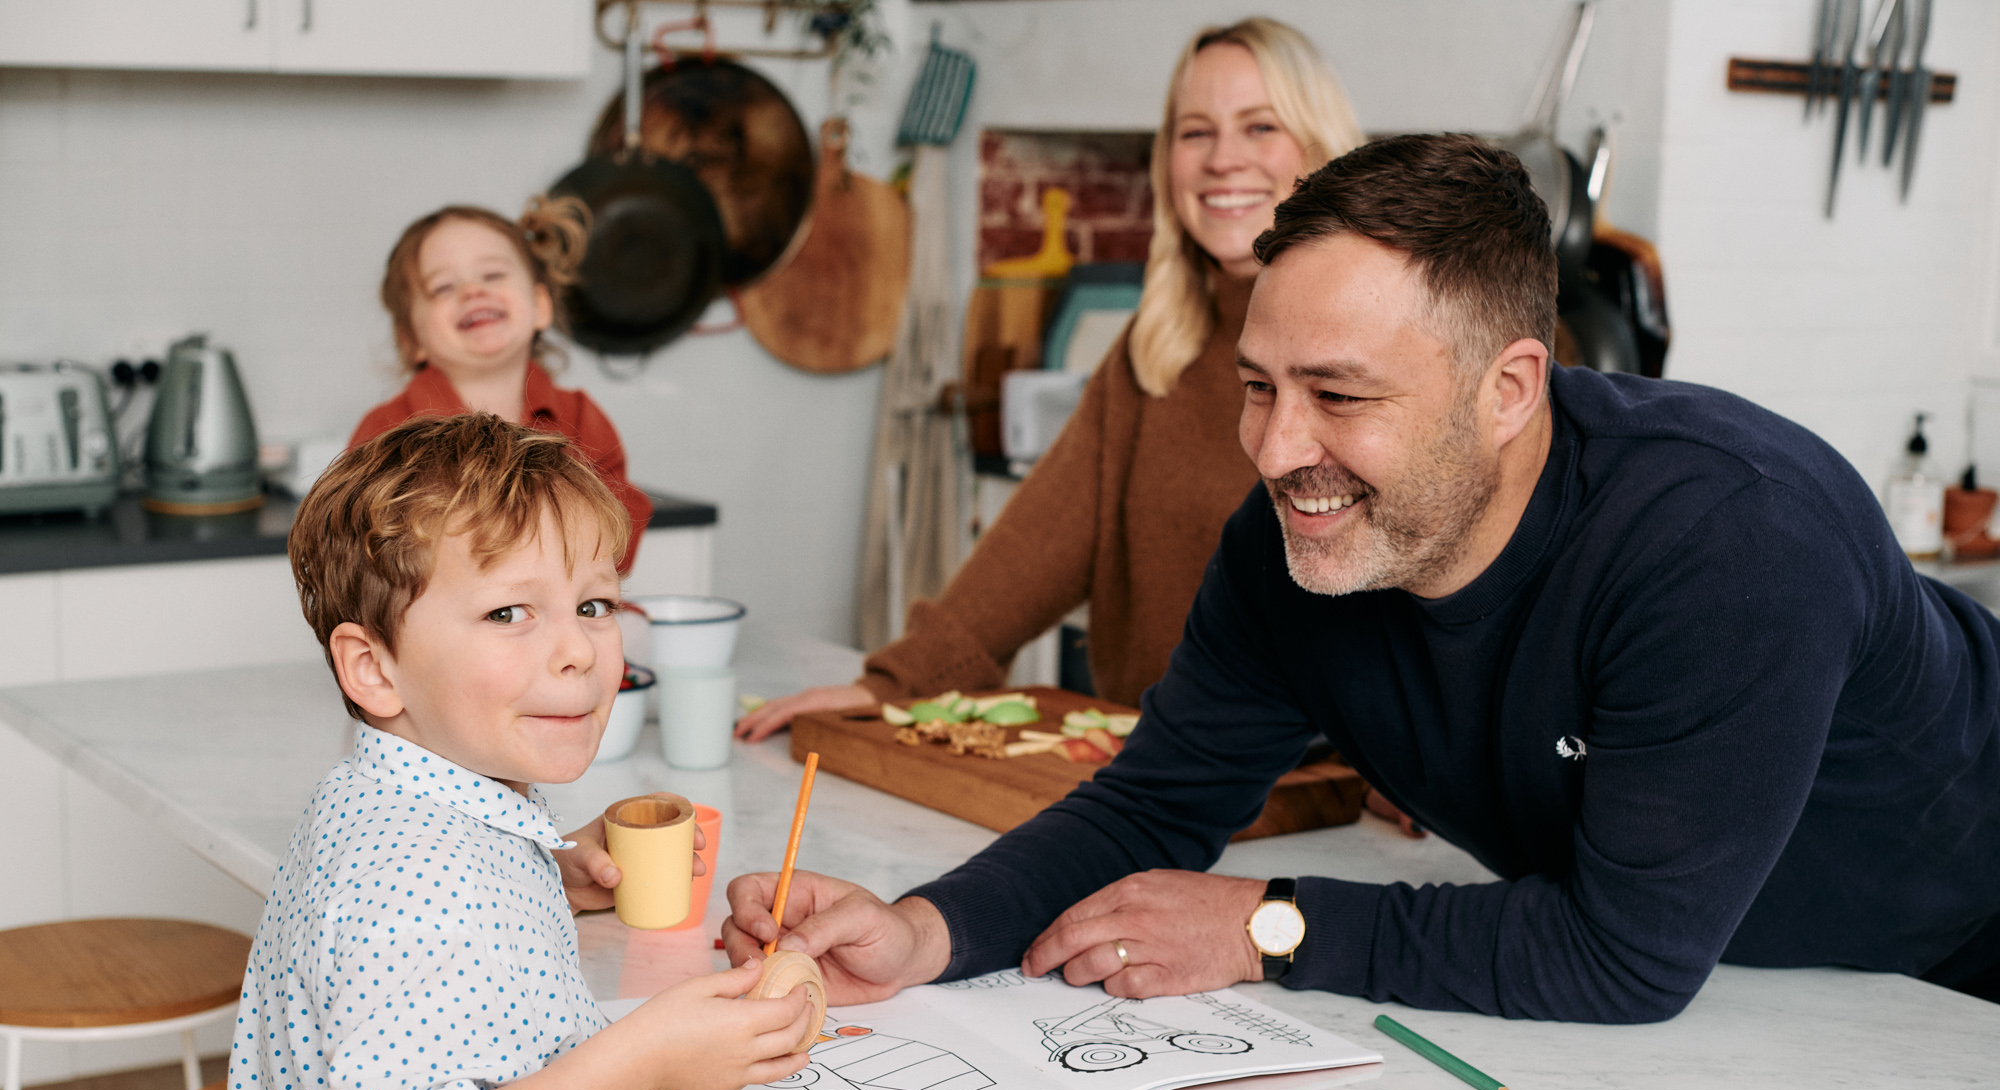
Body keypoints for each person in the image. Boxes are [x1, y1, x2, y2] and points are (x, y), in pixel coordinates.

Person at [719, 134, 2000, 1022]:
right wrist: (924, 932)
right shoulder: (1297, 540)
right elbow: (1150, 808)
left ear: (1506, 390)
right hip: (1750, 990)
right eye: (1259, 388)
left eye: (1338, 395)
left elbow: (1623, 956)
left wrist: (1265, 924)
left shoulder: (1728, 540)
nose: (1278, 451)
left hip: (1960, 945)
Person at [229, 414, 832, 1090]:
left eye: (594, 604)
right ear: (373, 667)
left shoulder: (388, 806)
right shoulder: (422, 876)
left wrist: (548, 872)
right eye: (511, 613)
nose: (579, 649)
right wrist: (649, 1051)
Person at [735, 17, 1365, 741]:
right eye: (1195, 132)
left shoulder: (1379, 345)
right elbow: (1041, 542)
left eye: (1260, 127)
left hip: (1333, 788)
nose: (1223, 159)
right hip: (1165, 774)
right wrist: (896, 683)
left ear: (1319, 143)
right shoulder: (1156, 347)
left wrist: (1398, 764)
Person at [349, 198, 653, 574]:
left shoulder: (581, 418)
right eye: (443, 287)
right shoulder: (386, 432)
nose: (473, 291)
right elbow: (361, 556)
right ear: (412, 339)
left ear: (540, 306)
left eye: (493, 275)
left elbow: (620, 535)